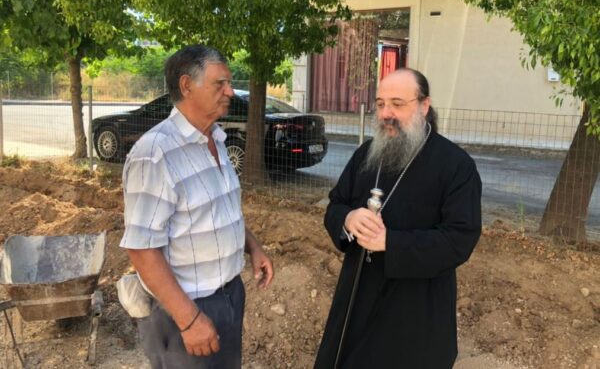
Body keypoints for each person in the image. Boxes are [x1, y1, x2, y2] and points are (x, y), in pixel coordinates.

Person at [314, 69, 482, 369]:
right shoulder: (366, 154)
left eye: (397, 104)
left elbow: (460, 239)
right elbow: (335, 204)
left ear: (424, 105)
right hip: (357, 298)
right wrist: (349, 218)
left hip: (416, 310)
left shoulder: (455, 165)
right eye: (380, 104)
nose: (386, 114)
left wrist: (391, 242)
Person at [120, 44, 274, 369]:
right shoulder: (155, 154)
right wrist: (188, 319)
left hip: (229, 295)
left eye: (229, 83)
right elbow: (142, 249)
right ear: (187, 85)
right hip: (184, 308)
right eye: (220, 83)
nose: (230, 91)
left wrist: (253, 247)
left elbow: (218, 210)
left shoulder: (216, 140)